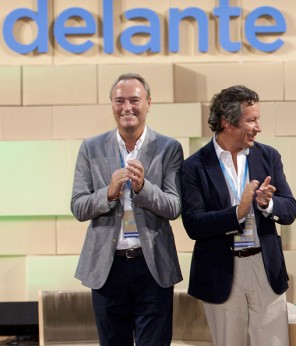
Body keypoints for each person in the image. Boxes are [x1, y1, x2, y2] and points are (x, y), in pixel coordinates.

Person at [71, 73, 183, 346]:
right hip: (107, 268)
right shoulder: (91, 147)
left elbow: (174, 206)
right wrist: (108, 193)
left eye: (134, 100)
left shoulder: (169, 148)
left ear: (148, 103)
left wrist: (143, 187)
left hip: (152, 264)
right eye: (119, 100)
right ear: (111, 104)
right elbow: (78, 206)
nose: (127, 107)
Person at [180, 85, 296, 346]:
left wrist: (268, 205)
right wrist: (238, 212)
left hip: (265, 267)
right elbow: (193, 224)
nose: (259, 127)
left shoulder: (268, 156)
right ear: (227, 122)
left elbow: (289, 209)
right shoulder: (194, 166)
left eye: (258, 119)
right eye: (251, 120)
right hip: (221, 271)